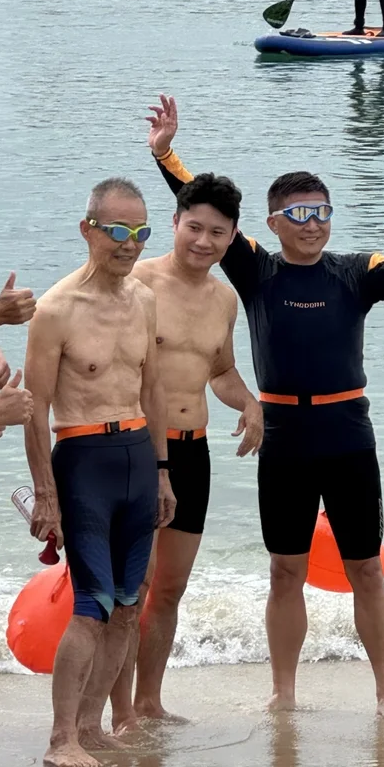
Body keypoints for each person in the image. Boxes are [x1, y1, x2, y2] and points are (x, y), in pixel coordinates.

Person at [149, 93, 384, 717]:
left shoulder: (356, 271)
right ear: (274, 222)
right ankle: (283, 693)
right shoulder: (257, 270)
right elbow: (204, 210)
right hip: (284, 439)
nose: (312, 223)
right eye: (299, 213)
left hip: (348, 436)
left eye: (322, 212)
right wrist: (166, 154)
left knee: (367, 570)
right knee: (284, 570)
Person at [24, 177, 175, 767]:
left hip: (138, 455)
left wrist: (162, 472)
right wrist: (45, 493)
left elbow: (153, 388)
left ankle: (90, 726)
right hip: (83, 460)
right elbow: (34, 407)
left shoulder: (144, 299)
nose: (129, 243)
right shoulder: (56, 309)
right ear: (88, 229)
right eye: (116, 230)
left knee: (129, 606)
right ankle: (60, 737)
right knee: (92, 605)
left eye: (139, 232)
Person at [110, 171, 262, 732]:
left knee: (170, 589)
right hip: (139, 449)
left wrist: (250, 403)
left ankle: (149, 701)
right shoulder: (137, 284)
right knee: (134, 587)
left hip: (193, 452)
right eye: (193, 228)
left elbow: (218, 370)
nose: (203, 241)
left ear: (232, 237)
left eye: (217, 233)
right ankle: (120, 710)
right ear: (174, 223)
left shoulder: (225, 298)